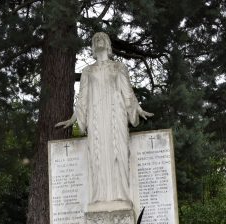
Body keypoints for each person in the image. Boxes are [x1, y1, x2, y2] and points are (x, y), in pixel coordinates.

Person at [56, 32, 153, 206]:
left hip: (116, 114)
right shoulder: (87, 71)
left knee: (120, 153)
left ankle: (122, 196)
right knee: (97, 155)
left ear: (108, 44)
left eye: (102, 38)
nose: (98, 40)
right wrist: (75, 117)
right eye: (95, 39)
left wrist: (136, 108)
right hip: (96, 117)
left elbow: (127, 92)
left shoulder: (119, 67)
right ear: (93, 46)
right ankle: (99, 198)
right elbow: (83, 97)